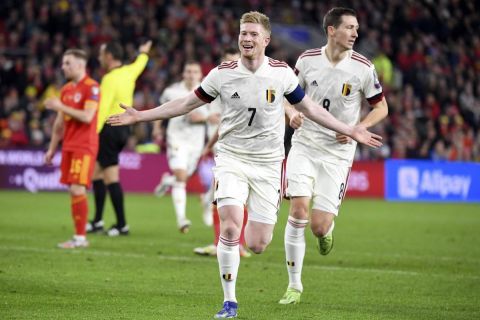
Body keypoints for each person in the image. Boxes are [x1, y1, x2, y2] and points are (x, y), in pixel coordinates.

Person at [107, 11, 382, 319]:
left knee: (258, 243)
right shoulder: (222, 73)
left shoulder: (281, 74)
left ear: (266, 40)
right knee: (229, 225)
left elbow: (310, 108)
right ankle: (229, 302)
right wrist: (140, 115)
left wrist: (350, 129)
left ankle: (253, 249)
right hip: (232, 158)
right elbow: (185, 104)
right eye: (243, 33)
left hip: (267, 165)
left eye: (253, 34)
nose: (246, 39)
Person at [278, 7, 389, 305]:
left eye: (356, 28)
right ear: (331, 30)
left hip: (338, 153)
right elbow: (287, 97)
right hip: (304, 144)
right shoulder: (307, 60)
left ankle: (326, 231)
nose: (355, 33)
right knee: (298, 210)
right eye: (349, 27)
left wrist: (357, 128)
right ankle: (294, 286)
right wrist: (291, 114)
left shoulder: (363, 68)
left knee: (318, 225)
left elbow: (381, 107)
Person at [86, 41, 151, 236]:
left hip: (109, 129)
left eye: (101, 54)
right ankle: (97, 221)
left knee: (110, 177)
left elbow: (102, 110)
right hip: (123, 130)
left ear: (109, 57)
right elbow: (140, 63)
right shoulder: (129, 72)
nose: (99, 58)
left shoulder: (109, 79)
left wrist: (92, 135)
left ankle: (122, 224)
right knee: (96, 174)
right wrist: (143, 53)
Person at [193, 48, 252, 258]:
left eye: (236, 61)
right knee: (223, 199)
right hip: (224, 151)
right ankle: (227, 244)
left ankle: (234, 244)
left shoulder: (249, 88)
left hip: (246, 151)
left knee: (233, 200)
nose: (233, 66)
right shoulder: (217, 87)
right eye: (228, 62)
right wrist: (209, 145)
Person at [44, 49, 100, 249]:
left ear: (79, 65)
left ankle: (80, 238)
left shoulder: (92, 87)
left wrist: (60, 106)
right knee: (73, 190)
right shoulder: (66, 89)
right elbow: (59, 125)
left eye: (67, 63)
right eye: (63, 63)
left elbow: (87, 116)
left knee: (78, 188)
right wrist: (51, 149)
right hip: (68, 145)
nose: (63, 67)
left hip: (84, 146)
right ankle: (78, 236)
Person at [151, 61, 209, 233]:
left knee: (183, 176)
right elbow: (160, 111)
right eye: (188, 71)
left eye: (195, 71)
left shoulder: (209, 90)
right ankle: (182, 219)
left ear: (200, 75)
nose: (191, 74)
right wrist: (156, 128)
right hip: (176, 139)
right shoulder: (171, 91)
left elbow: (214, 116)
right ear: (183, 74)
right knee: (182, 176)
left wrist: (203, 119)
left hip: (196, 143)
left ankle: (167, 181)